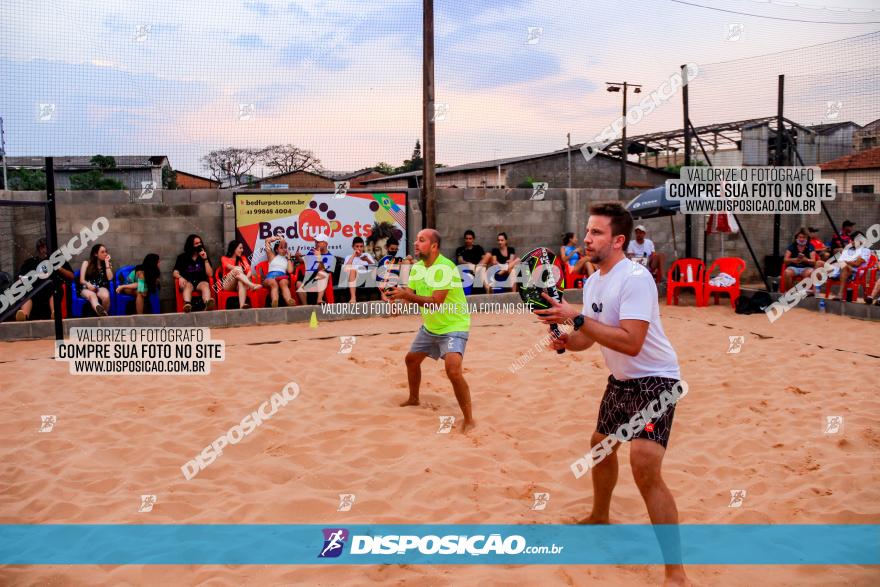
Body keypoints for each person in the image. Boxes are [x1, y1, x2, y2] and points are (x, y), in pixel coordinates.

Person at [535, 202, 688, 587]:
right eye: (587, 231)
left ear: (618, 240)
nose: (587, 238)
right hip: (621, 382)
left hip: (656, 380)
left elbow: (632, 343)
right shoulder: (595, 281)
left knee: (644, 466)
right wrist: (565, 340)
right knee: (600, 447)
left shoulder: (635, 278)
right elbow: (590, 337)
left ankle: (676, 574)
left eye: (597, 232)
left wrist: (577, 317)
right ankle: (600, 515)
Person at [385, 229, 475, 433]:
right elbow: (412, 293)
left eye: (421, 240)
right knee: (411, 360)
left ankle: (469, 419)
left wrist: (406, 297)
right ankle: (414, 399)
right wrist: (399, 300)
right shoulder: (417, 268)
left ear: (434, 246)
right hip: (431, 327)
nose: (416, 243)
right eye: (416, 240)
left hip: (454, 326)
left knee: (452, 370)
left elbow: (436, 302)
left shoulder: (445, 267)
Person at [15, 237, 74, 321]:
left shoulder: (58, 260)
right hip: (34, 288)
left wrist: (59, 268)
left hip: (51, 286)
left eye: (46, 247)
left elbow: (71, 276)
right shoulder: (30, 262)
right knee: (26, 292)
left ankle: (55, 313)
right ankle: (24, 314)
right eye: (41, 247)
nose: (44, 250)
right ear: (38, 249)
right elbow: (20, 278)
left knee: (54, 289)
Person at [173, 234, 215, 312]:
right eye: (196, 243)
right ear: (190, 245)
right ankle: (187, 305)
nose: (199, 245)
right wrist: (180, 277)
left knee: (205, 285)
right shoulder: (182, 257)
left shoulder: (204, 256)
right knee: (188, 286)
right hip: (188, 281)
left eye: (200, 243)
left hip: (200, 282)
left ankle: (207, 304)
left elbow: (210, 274)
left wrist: (205, 259)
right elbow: (175, 272)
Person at [829, 231, 872, 301]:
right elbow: (840, 259)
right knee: (819, 263)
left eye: (854, 240)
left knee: (844, 267)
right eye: (852, 240)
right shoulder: (848, 249)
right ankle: (813, 291)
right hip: (841, 268)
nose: (852, 242)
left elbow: (857, 264)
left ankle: (840, 294)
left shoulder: (865, 250)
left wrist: (844, 262)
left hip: (855, 272)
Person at [219, 240, 262, 309]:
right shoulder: (224, 258)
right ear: (234, 248)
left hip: (240, 285)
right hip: (228, 284)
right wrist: (240, 270)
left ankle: (242, 305)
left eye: (242, 248)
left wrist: (245, 279)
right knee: (237, 270)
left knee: (240, 281)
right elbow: (229, 267)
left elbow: (249, 271)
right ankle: (252, 285)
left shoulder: (243, 258)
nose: (242, 250)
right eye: (240, 248)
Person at [295, 232, 335, 305]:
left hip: (320, 280)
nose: (316, 244)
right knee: (298, 283)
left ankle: (319, 300)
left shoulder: (330, 257)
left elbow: (323, 270)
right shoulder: (312, 251)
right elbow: (302, 261)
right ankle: (306, 306)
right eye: (316, 242)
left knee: (322, 273)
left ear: (325, 244)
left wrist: (319, 258)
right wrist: (298, 257)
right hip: (308, 277)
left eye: (318, 242)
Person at [79, 243, 114, 316]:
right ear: (95, 254)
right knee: (92, 296)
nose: (105, 254)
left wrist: (107, 263)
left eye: (106, 251)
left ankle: (102, 316)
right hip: (87, 288)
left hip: (100, 288)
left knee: (106, 296)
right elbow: (81, 280)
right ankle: (101, 312)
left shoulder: (106, 264)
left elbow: (110, 278)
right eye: (102, 252)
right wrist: (88, 284)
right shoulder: (86, 263)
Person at [264, 236, 297, 307]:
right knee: (273, 283)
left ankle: (289, 301)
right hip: (271, 277)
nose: (284, 249)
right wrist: (277, 238)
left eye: (285, 247)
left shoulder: (287, 260)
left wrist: (289, 258)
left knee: (283, 282)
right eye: (281, 248)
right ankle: (274, 301)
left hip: (282, 277)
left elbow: (290, 271)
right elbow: (267, 241)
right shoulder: (272, 256)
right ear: (276, 250)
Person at [782, 228, 818, 294]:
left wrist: (805, 260)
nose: (801, 239)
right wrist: (794, 260)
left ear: (807, 238)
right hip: (793, 267)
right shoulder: (792, 246)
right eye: (800, 237)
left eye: (804, 237)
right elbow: (785, 260)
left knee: (810, 272)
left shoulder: (810, 246)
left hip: (806, 268)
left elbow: (813, 261)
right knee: (787, 273)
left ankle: (803, 292)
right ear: (796, 238)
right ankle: (789, 292)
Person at [342, 236, 376, 303]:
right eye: (357, 246)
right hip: (354, 278)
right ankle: (353, 298)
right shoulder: (348, 257)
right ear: (353, 247)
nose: (359, 248)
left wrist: (367, 260)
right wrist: (353, 256)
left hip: (367, 278)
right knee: (352, 270)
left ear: (363, 247)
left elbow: (374, 267)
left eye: (361, 246)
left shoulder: (367, 255)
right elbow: (346, 269)